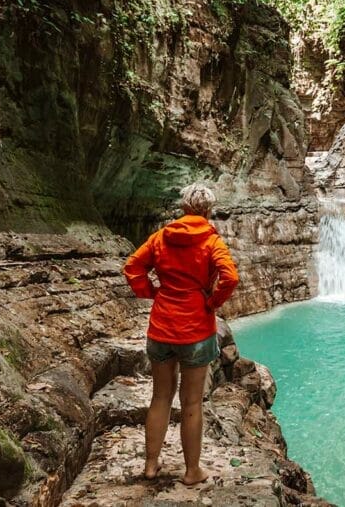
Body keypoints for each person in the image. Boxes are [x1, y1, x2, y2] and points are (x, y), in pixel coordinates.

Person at [122, 183, 239, 485]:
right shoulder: (212, 242)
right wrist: (211, 302)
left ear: (184, 208)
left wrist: (152, 293)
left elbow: (133, 266)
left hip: (161, 326)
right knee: (191, 403)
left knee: (160, 396)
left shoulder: (162, 237)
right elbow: (230, 277)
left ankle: (150, 465)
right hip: (196, 330)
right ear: (208, 210)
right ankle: (192, 471)